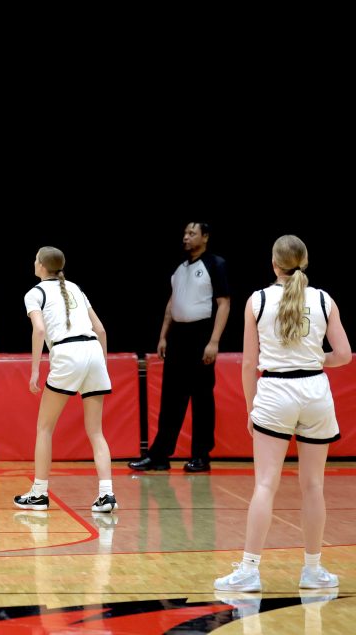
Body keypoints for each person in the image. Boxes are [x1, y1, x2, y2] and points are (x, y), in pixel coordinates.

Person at [214, 235, 351, 592]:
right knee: (314, 486)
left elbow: (247, 364)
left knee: (264, 484)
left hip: (275, 392)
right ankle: (313, 570)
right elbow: (345, 355)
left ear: (273, 264)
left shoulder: (257, 300)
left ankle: (249, 570)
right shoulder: (323, 299)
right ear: (305, 262)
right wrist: (313, 360)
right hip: (315, 392)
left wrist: (250, 408)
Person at [14, 247, 117, 512]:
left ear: (41, 266)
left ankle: (39, 493)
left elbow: (39, 329)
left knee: (44, 428)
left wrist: (36, 370)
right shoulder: (76, 288)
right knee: (96, 431)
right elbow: (101, 329)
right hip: (94, 351)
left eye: (35, 259)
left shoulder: (34, 293)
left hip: (66, 352)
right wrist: (101, 364)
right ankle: (107, 495)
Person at [130, 222, 230, 472]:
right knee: (170, 398)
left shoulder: (215, 264)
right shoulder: (180, 268)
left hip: (201, 335)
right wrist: (163, 336)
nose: (186, 237)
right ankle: (160, 455)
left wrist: (214, 341)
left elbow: (224, 303)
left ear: (205, 237)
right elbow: (172, 303)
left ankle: (201, 455)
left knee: (201, 399)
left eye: (192, 233)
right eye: (185, 234)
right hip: (178, 337)